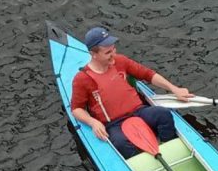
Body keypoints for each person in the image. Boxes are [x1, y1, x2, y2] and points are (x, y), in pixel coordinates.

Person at [70, 26, 193, 159]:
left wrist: (174, 89)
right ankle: (143, 162)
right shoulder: (82, 79)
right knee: (120, 143)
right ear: (93, 54)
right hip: (114, 123)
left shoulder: (120, 61)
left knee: (163, 115)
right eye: (107, 52)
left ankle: (169, 148)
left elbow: (148, 74)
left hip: (139, 112)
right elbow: (76, 109)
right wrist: (93, 122)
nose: (113, 54)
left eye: (113, 49)